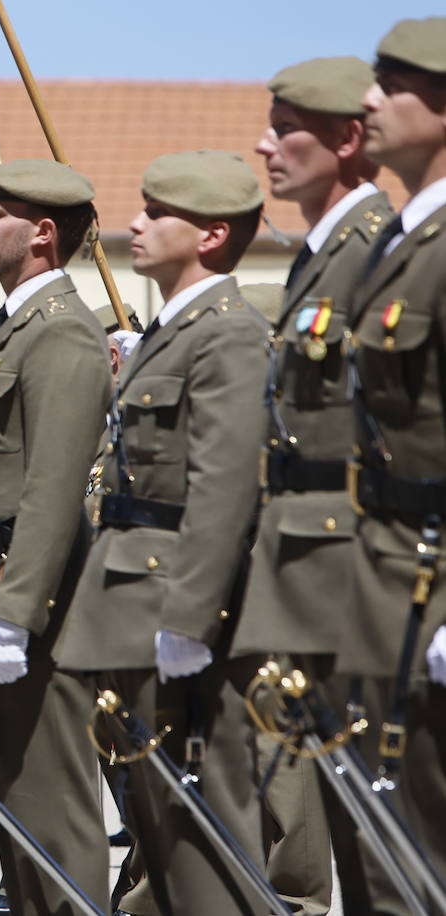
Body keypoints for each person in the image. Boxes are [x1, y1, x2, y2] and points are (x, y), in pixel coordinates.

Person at [56, 150, 270, 916]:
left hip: (172, 603)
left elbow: (223, 484)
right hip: (126, 601)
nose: (135, 223)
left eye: (157, 212)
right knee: (152, 823)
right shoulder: (168, 334)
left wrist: (189, 616)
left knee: (196, 832)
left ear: (211, 235)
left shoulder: (229, 334)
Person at [237, 55, 392, 916]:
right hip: (304, 554)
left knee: (370, 818)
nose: (266, 144)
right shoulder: (324, 253)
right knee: (313, 792)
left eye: (286, 126)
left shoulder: (371, 247)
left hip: (351, 561)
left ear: (347, 139)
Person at [0, 162, 112, 916]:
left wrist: (17, 613)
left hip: (31, 600)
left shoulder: (64, 332)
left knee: (53, 810)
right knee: (14, 803)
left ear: (42, 234)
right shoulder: (15, 326)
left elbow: (54, 485)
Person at [346, 15, 446, 893]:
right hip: (380, 579)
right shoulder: (395, 241)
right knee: (385, 856)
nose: (370, 100)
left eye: (395, 83)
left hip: (432, 583)